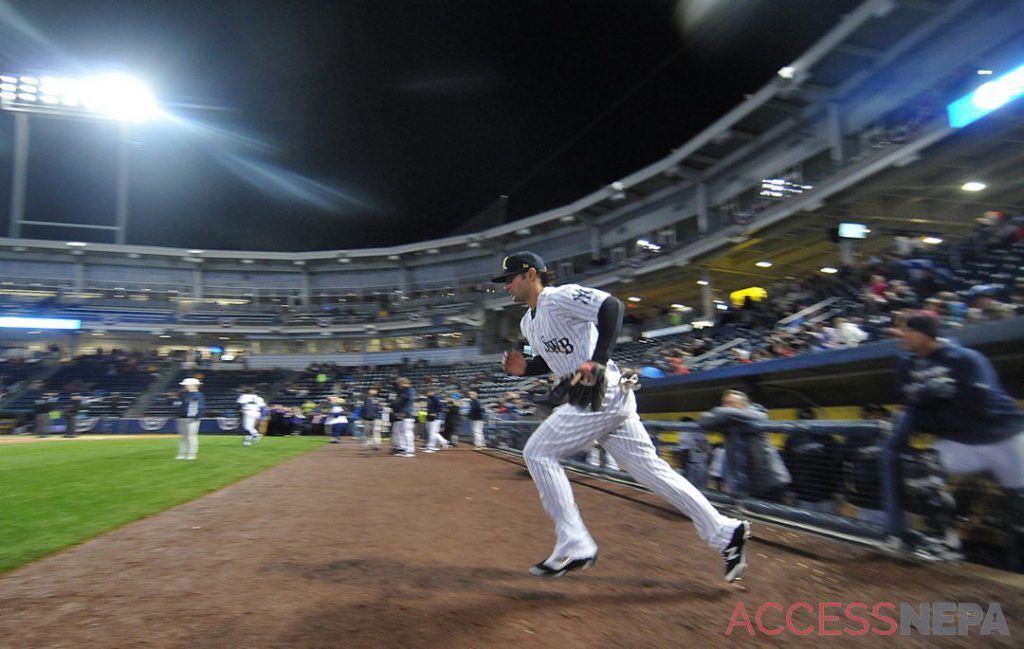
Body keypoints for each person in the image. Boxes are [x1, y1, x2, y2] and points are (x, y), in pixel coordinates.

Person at [494, 251, 750, 582]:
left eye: (510, 278)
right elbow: (549, 359)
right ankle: (725, 532)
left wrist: (598, 361)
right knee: (653, 472)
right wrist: (525, 369)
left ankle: (575, 543)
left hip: (604, 389)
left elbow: (611, 306)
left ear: (530, 275)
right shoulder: (527, 323)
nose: (506, 287)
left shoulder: (560, 296)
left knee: (537, 452)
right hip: (602, 396)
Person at [881, 311, 1024, 567]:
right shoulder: (908, 363)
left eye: (910, 331)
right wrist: (932, 393)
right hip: (963, 441)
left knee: (1020, 508)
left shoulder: (965, 358)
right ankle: (942, 542)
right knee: (922, 468)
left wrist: (933, 397)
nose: (903, 336)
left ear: (927, 334)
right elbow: (910, 400)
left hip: (1004, 436)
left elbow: (980, 404)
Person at [698, 390, 790, 501]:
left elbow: (721, 414)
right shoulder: (729, 422)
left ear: (744, 405)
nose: (727, 406)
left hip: (769, 481)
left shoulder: (755, 414)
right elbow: (704, 421)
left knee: (772, 515)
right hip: (750, 484)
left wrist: (718, 412)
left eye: (731, 403)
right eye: (725, 403)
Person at [174, 378, 205, 460]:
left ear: (193, 385)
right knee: (183, 437)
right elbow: (177, 405)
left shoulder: (198, 395)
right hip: (182, 417)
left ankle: (192, 454)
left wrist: (193, 417)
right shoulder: (183, 394)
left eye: (186, 385)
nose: (185, 386)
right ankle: (182, 453)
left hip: (192, 419)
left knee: (191, 437)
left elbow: (199, 407)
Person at [391, 377, 416, 457]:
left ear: (402, 382)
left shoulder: (409, 390)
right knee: (402, 432)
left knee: (407, 432)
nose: (399, 385)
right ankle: (405, 449)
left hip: (407, 414)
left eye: (399, 383)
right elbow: (401, 402)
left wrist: (405, 412)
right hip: (403, 414)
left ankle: (410, 450)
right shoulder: (404, 391)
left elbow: (409, 402)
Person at [359, 387, 383, 451]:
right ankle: (364, 445)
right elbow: (362, 409)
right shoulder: (365, 399)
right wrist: (361, 417)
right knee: (366, 432)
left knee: (376, 432)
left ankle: (376, 445)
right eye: (371, 390)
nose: (373, 391)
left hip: (376, 418)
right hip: (367, 418)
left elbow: (380, 409)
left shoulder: (378, 399)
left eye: (374, 390)